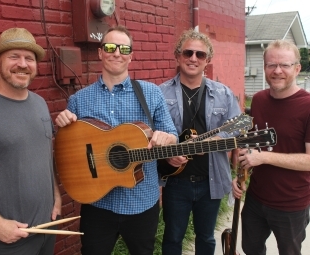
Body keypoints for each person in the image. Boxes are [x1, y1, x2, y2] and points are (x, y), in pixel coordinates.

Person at [54, 25, 178, 255]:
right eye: (110, 47)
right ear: (100, 52)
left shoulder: (151, 93)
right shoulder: (79, 100)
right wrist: (62, 124)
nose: (116, 53)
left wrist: (166, 137)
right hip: (97, 204)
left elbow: (173, 136)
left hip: (142, 202)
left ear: (131, 55)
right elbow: (66, 148)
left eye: (123, 48)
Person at [0, 27, 62, 255]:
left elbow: (43, 156)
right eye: (14, 56)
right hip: (8, 240)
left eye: (29, 58)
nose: (22, 64)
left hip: (46, 229)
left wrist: (56, 196)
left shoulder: (40, 103)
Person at [159, 29, 241, 255]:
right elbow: (151, 134)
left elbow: (238, 129)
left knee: (206, 238)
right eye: (188, 53)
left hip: (210, 181)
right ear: (178, 56)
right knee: (172, 238)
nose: (193, 58)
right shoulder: (160, 93)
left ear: (208, 60)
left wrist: (217, 139)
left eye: (200, 55)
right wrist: (167, 153)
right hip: (176, 182)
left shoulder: (224, 93)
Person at [232, 39, 310, 255]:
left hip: (291, 204)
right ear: (265, 67)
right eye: (271, 65)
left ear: (297, 68)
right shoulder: (258, 100)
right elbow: (250, 145)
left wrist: (264, 158)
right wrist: (240, 174)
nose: (277, 71)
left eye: (284, 65)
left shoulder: (307, 106)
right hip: (256, 198)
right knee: (251, 249)